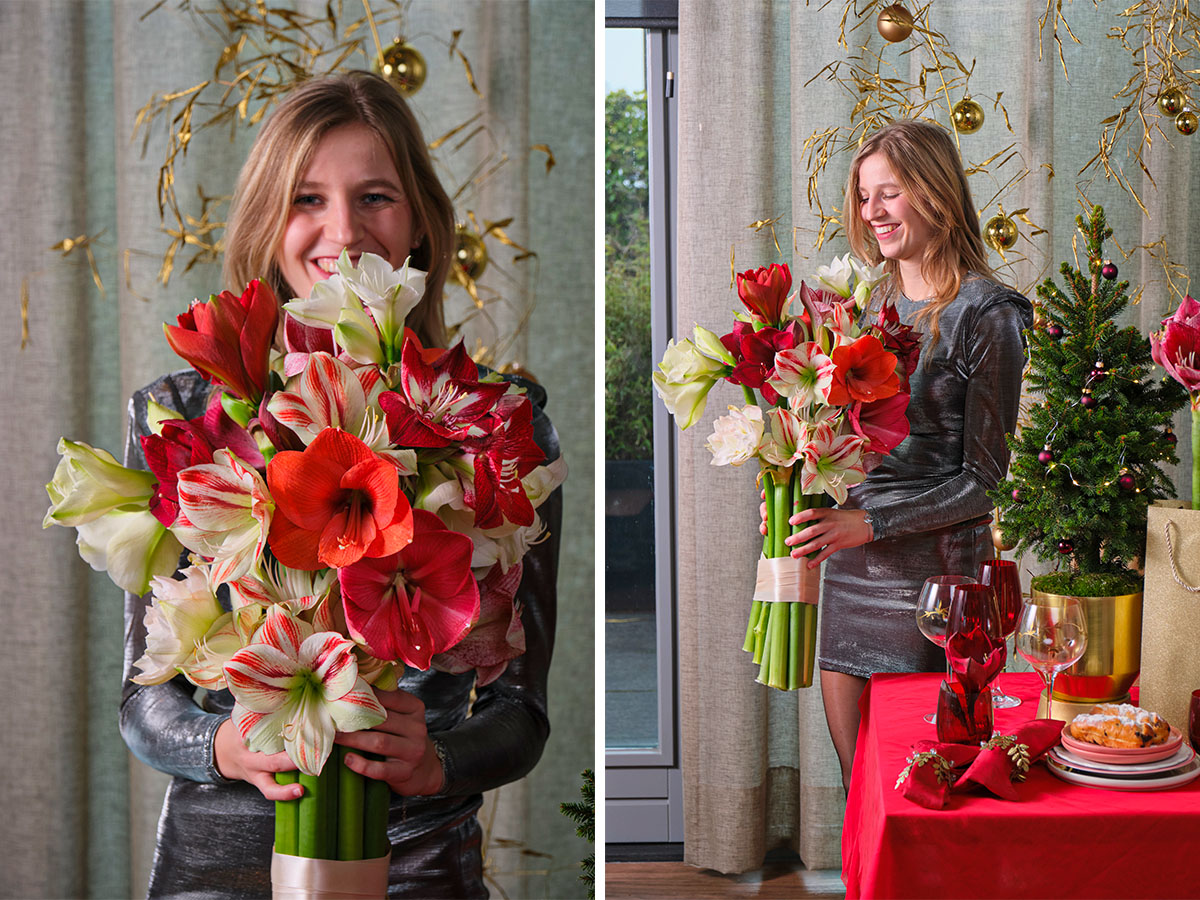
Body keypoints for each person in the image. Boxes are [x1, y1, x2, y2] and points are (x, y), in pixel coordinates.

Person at [119, 71, 561, 898]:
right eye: (307, 199)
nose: (343, 230)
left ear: (420, 222)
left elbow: (523, 712)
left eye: (376, 197)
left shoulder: (498, 417)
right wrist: (220, 748)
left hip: (419, 853)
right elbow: (141, 702)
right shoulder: (179, 415)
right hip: (216, 856)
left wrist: (439, 760)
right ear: (266, 221)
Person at [782, 119, 1032, 790]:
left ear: (935, 192)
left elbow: (984, 484)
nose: (872, 213)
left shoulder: (990, 314)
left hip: (937, 594)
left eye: (888, 193)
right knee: (862, 791)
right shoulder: (861, 307)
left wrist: (872, 523)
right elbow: (840, 441)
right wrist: (793, 491)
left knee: (925, 793)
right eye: (864, 197)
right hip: (850, 573)